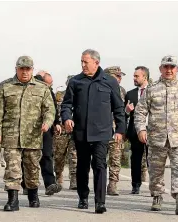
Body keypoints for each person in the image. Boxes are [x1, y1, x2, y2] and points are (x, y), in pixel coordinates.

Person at [134, 55, 178, 215]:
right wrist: (141, 129)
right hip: (157, 138)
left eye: (172, 67)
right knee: (156, 171)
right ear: (160, 69)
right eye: (166, 67)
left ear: (177, 70)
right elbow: (140, 111)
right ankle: (157, 196)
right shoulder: (151, 90)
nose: (169, 70)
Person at [61, 49, 125, 214]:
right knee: (82, 166)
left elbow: (118, 107)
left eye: (86, 62)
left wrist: (120, 129)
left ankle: (100, 202)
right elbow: (67, 104)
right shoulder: (76, 81)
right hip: (81, 132)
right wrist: (67, 118)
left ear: (96, 63)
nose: (83, 65)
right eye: (81, 62)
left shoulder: (109, 81)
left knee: (99, 165)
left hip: (102, 132)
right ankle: (83, 197)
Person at [0, 56, 55, 211]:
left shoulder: (42, 88)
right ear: (16, 69)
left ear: (32, 70)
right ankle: (13, 200)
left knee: (32, 168)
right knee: (12, 169)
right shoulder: (5, 86)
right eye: (22, 69)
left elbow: (50, 110)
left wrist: (47, 123)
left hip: (33, 136)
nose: (25, 72)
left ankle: (33, 195)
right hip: (11, 135)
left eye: (28, 69)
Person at [21, 71, 62, 195]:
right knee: (27, 157)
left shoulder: (46, 90)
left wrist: (56, 122)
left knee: (47, 155)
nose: (49, 86)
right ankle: (26, 185)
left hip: (45, 128)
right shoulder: (28, 86)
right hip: (27, 128)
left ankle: (50, 183)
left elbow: (52, 107)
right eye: (48, 84)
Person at [124, 66, 150, 195]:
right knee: (136, 159)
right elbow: (124, 115)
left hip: (152, 131)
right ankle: (135, 185)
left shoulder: (154, 91)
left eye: (136, 76)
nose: (134, 78)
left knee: (153, 160)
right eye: (134, 76)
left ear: (145, 77)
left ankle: (155, 186)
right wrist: (127, 111)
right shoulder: (130, 94)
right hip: (135, 132)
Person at [103, 66, 127, 196]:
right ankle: (99, 182)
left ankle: (112, 184)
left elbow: (122, 112)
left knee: (115, 158)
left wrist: (122, 129)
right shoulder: (100, 88)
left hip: (115, 129)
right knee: (99, 158)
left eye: (120, 76)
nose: (120, 78)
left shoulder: (121, 90)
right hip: (101, 128)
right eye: (117, 76)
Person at [53, 75, 77, 190]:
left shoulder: (79, 95)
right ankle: (58, 175)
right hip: (61, 131)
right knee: (59, 156)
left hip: (74, 130)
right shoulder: (59, 95)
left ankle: (74, 179)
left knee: (74, 156)